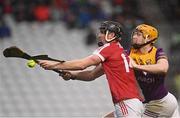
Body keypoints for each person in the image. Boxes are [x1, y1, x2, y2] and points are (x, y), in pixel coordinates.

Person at [38, 21, 144, 117]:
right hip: (134, 103)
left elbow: (82, 64)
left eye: (102, 32)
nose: (99, 36)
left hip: (125, 102)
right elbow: (91, 75)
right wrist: (72, 75)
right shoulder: (119, 52)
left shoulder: (109, 49)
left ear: (111, 35)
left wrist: (54, 65)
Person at [129, 24, 179, 117]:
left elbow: (163, 68)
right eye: (134, 34)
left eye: (138, 35)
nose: (134, 37)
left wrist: (136, 66)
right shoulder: (129, 53)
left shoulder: (158, 52)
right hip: (151, 103)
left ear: (148, 39)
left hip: (161, 103)